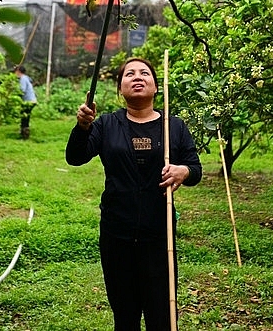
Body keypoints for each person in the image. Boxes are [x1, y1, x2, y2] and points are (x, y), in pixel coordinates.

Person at [65, 57, 202, 331]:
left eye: (144, 73)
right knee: (125, 316)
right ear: (120, 89)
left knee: (161, 315)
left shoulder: (173, 126)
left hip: (160, 236)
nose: (137, 77)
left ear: (155, 86)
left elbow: (195, 169)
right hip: (117, 234)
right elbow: (75, 157)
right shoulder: (106, 124)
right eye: (129, 74)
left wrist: (183, 172)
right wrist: (82, 128)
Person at [14, 65, 37, 139]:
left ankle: (25, 134)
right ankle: (23, 132)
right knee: (25, 116)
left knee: (24, 116)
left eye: (15, 71)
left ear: (18, 71)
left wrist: (14, 93)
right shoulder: (26, 77)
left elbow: (22, 90)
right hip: (32, 100)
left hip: (28, 101)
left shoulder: (23, 79)